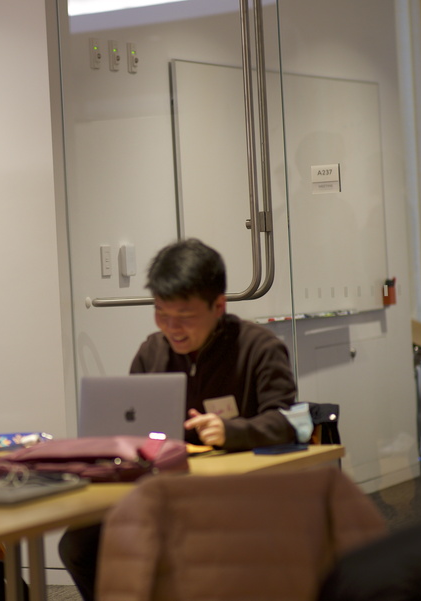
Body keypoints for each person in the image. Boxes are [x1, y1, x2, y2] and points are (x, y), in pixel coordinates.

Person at [59, 237, 298, 601]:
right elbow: (131, 424)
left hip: (235, 493)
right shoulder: (152, 353)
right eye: (161, 313)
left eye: (185, 315)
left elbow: (287, 421)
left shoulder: (258, 348)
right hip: (161, 489)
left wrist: (230, 432)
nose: (172, 328)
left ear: (219, 305)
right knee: (78, 543)